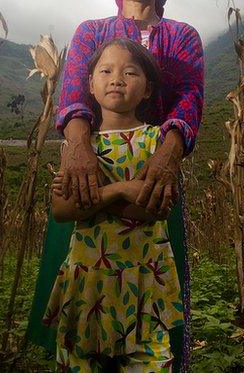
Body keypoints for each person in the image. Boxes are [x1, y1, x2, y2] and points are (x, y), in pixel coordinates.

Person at [27, 0, 203, 371]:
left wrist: (166, 156)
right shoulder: (92, 31)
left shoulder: (182, 36)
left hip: (154, 169)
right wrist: (78, 148)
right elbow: (71, 92)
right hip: (90, 166)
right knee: (82, 283)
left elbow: (190, 98)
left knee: (151, 289)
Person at [43, 38, 184, 370]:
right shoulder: (78, 148)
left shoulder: (159, 144)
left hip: (145, 285)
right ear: (90, 84)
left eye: (130, 72)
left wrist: (91, 200)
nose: (117, 78)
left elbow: (156, 209)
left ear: (148, 89)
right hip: (88, 283)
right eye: (105, 70)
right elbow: (61, 211)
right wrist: (122, 189)